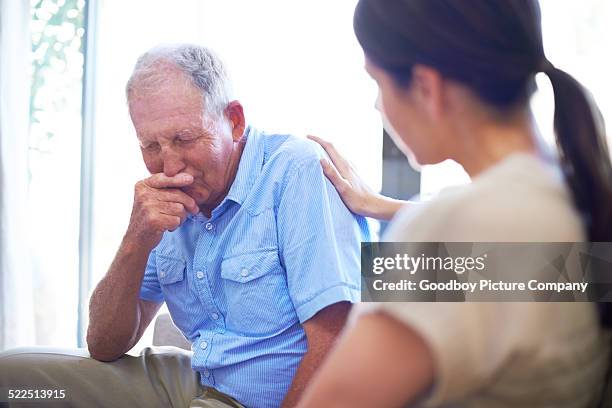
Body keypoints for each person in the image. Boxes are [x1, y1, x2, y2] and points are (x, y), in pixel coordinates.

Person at [0, 44, 369, 408]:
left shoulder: (296, 169)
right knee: (12, 379)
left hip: (265, 397)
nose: (170, 166)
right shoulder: (163, 203)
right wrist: (136, 239)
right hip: (198, 380)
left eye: (184, 139)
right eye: (150, 145)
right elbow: (105, 344)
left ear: (234, 120)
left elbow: (337, 335)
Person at [298, 0, 612, 407]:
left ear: (427, 87)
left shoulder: (455, 225)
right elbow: (511, 268)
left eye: (378, 83)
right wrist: (380, 205)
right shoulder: (573, 190)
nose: (378, 106)